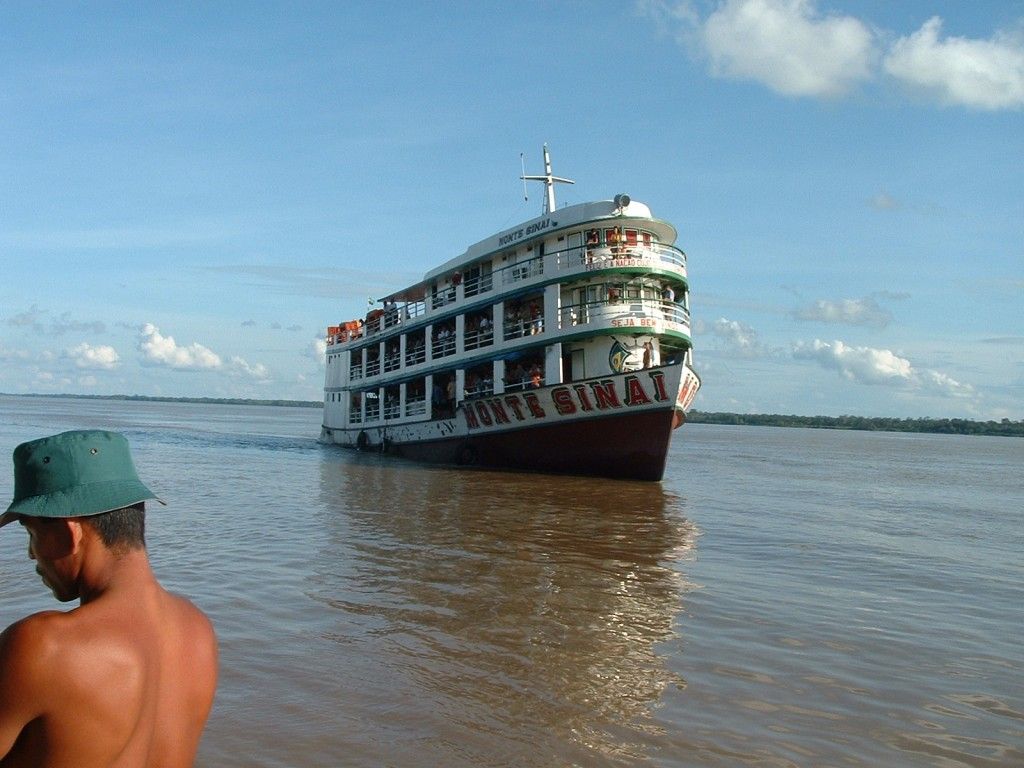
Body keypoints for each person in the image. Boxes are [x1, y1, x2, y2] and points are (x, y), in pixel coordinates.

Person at [0, 430, 217, 768]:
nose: (31, 554)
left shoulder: (43, 646)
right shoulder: (197, 629)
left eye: (32, 534)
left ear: (70, 531)